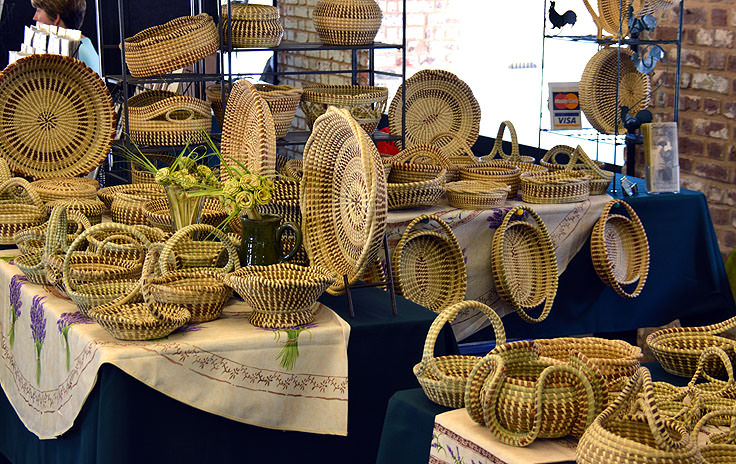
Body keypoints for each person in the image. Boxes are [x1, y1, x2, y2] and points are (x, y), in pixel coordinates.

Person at [31, 0, 100, 75]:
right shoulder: (83, 46)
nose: (34, 17)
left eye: (38, 11)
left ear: (55, 18)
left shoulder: (79, 51)